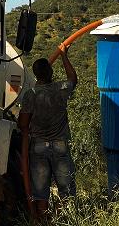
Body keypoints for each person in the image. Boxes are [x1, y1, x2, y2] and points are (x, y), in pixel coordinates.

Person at [18, 45, 77, 220]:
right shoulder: (60, 89)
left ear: (36, 74)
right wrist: (64, 56)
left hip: (38, 148)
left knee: (40, 192)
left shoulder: (31, 95)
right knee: (66, 190)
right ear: (51, 72)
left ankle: (43, 221)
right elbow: (73, 78)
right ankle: (65, 221)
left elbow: (23, 123)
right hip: (60, 146)